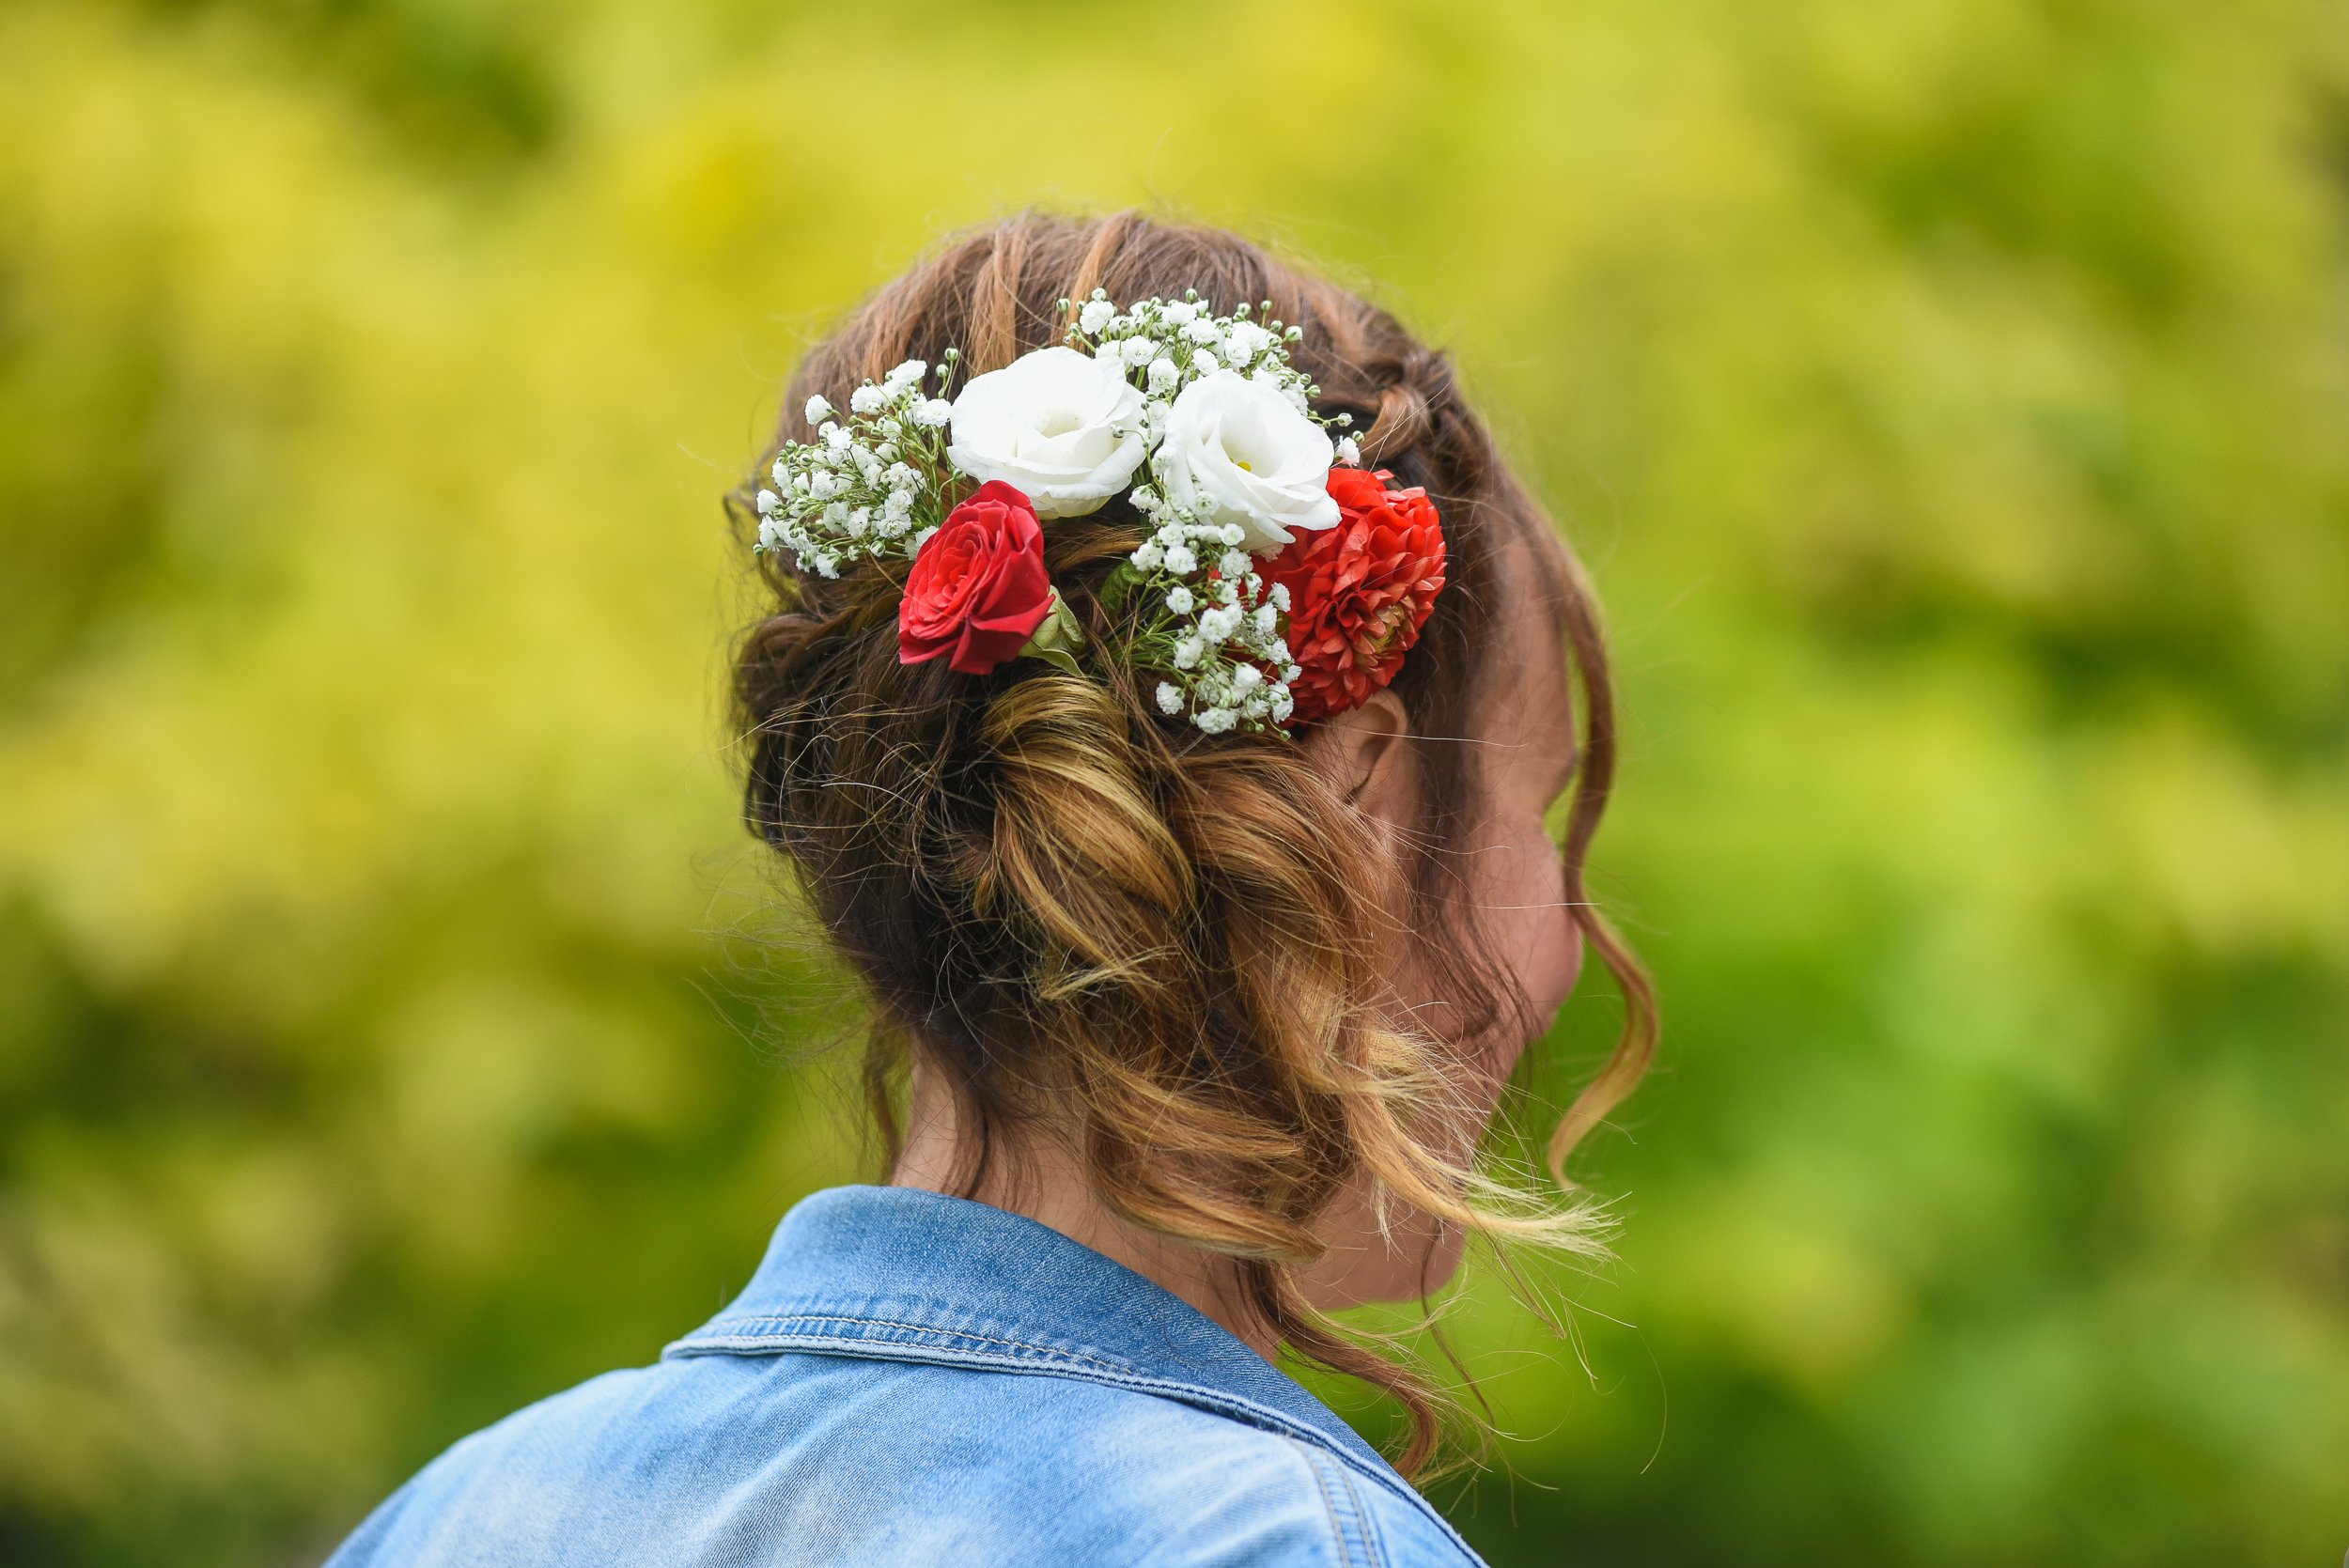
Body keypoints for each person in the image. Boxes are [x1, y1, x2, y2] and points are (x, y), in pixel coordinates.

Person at [324, 211, 1656, 1567]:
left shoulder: (458, 1518)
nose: (1571, 942)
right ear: (1350, 801)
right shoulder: (1284, 1547)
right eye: (1538, 813)